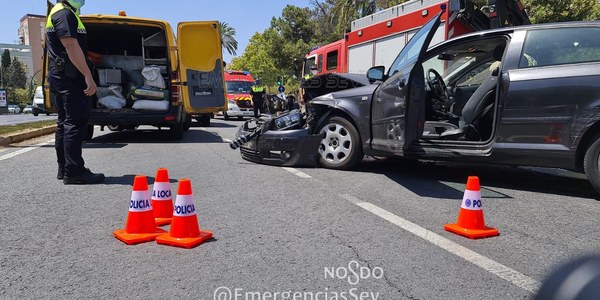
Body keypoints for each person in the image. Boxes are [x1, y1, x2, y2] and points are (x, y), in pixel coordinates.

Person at [46, 0, 104, 184]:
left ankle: (65, 168)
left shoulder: (62, 11)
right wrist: (88, 75)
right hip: (70, 77)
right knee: (75, 123)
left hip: (62, 75)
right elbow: (70, 45)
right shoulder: (64, 13)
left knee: (64, 123)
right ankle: (75, 171)